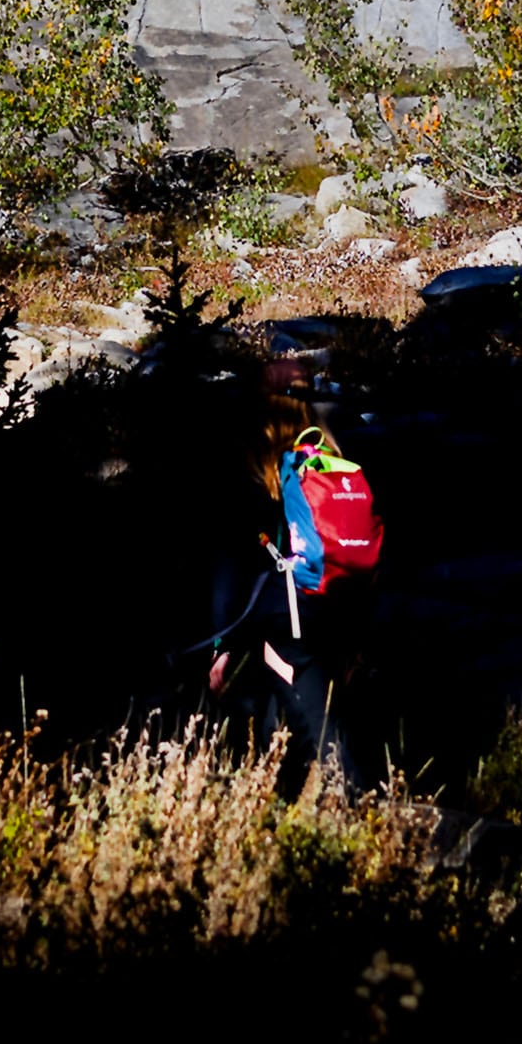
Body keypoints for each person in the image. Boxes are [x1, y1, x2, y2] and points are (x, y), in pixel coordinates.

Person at [199, 339, 363, 793]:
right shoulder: (333, 460)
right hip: (337, 608)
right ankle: (271, 826)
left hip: (290, 624)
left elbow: (232, 564)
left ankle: (375, 831)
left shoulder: (259, 469)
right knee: (283, 733)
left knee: (328, 746)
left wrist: (222, 644)